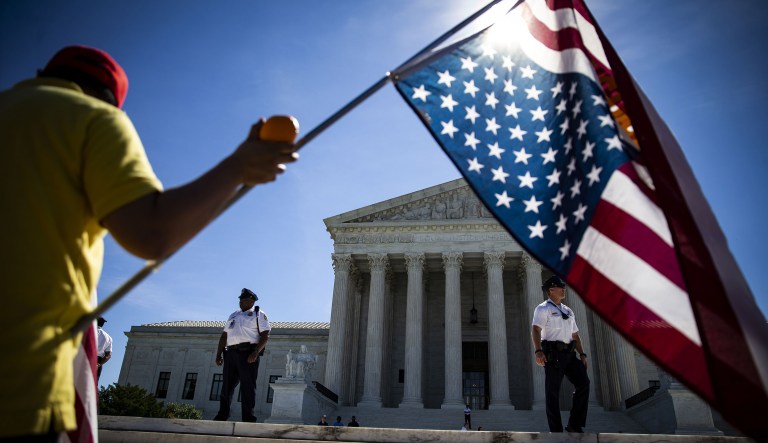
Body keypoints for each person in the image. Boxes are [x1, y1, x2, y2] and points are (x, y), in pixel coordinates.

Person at [0, 45, 297, 440]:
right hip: (21, 367)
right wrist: (238, 168)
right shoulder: (90, 118)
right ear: (109, 98)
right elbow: (151, 234)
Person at [531, 275, 590, 433]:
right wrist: (538, 351)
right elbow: (536, 330)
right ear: (551, 290)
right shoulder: (543, 308)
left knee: (584, 383)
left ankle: (574, 424)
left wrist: (582, 354)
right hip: (553, 353)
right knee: (552, 391)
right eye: (560, 286)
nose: (564, 289)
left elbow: (575, 335)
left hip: (570, 354)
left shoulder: (568, 310)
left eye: (563, 286)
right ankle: (556, 430)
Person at [213, 288, 270, 422]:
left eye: (244, 300)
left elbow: (265, 335)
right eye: (240, 300)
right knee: (226, 386)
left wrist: (256, 352)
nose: (241, 302)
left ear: (251, 300)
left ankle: (248, 417)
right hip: (231, 353)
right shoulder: (233, 315)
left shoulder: (258, 314)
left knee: (248, 387)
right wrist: (219, 354)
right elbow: (224, 336)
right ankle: (222, 415)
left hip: (248, 353)